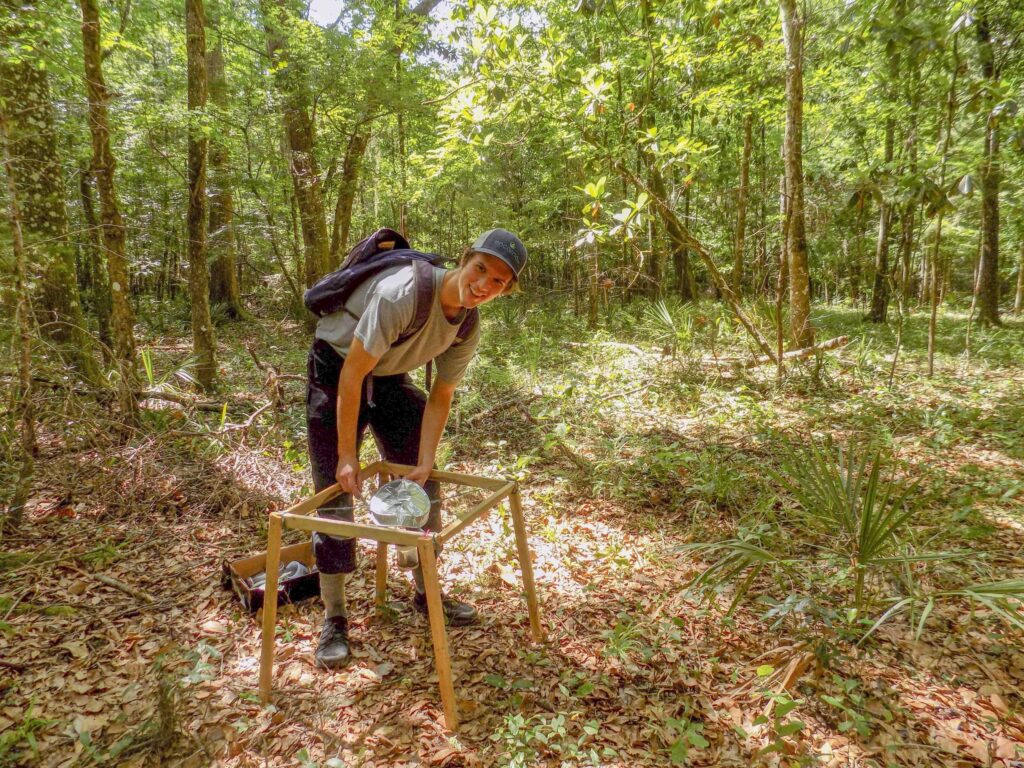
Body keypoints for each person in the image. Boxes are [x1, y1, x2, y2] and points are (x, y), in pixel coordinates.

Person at [305, 228, 527, 669]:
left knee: (425, 483)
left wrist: (425, 462)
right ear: (464, 260)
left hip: (389, 375)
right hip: (337, 367)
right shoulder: (401, 293)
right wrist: (349, 454)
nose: (484, 285)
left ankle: (426, 593)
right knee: (334, 488)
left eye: (498, 281)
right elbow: (351, 375)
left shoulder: (466, 324)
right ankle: (335, 617)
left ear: (506, 290)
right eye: (481, 269)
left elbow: (442, 394)